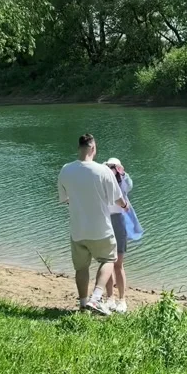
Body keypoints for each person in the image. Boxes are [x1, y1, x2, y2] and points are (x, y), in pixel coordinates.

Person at [58, 134, 128, 316]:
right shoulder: (103, 171)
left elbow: (64, 199)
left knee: (81, 268)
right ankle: (96, 298)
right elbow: (118, 198)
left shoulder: (66, 170)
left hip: (78, 230)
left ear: (79, 148)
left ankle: (83, 305)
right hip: (101, 230)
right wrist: (125, 206)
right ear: (93, 148)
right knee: (108, 260)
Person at [104, 157, 133, 314]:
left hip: (118, 221)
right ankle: (110, 297)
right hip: (105, 221)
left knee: (118, 263)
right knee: (107, 261)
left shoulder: (123, 181)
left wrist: (121, 171)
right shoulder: (102, 179)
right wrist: (105, 168)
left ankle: (122, 299)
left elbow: (129, 185)